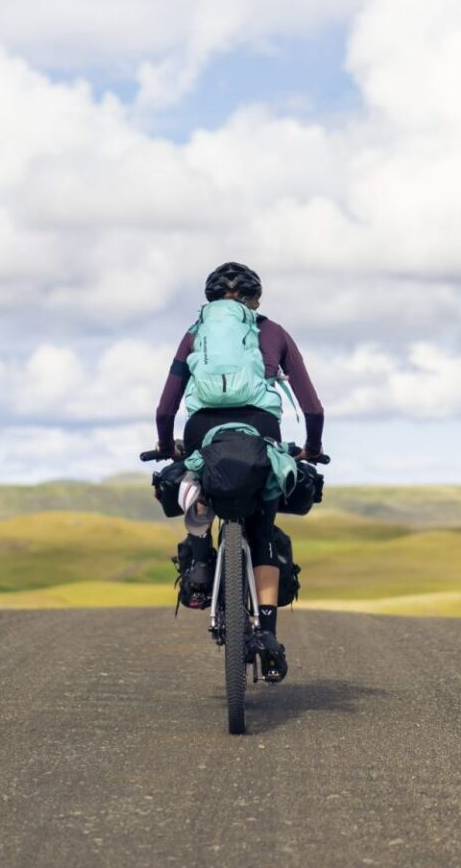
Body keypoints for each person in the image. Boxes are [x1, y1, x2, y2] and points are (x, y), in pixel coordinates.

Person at [155, 261, 324, 682]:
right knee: (261, 532)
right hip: (260, 428)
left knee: (197, 480)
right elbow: (313, 407)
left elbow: (166, 407)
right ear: (256, 301)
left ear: (210, 301)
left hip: (202, 430)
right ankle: (267, 633)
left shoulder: (195, 334)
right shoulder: (274, 333)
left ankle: (199, 560)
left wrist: (166, 445)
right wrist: (312, 447)